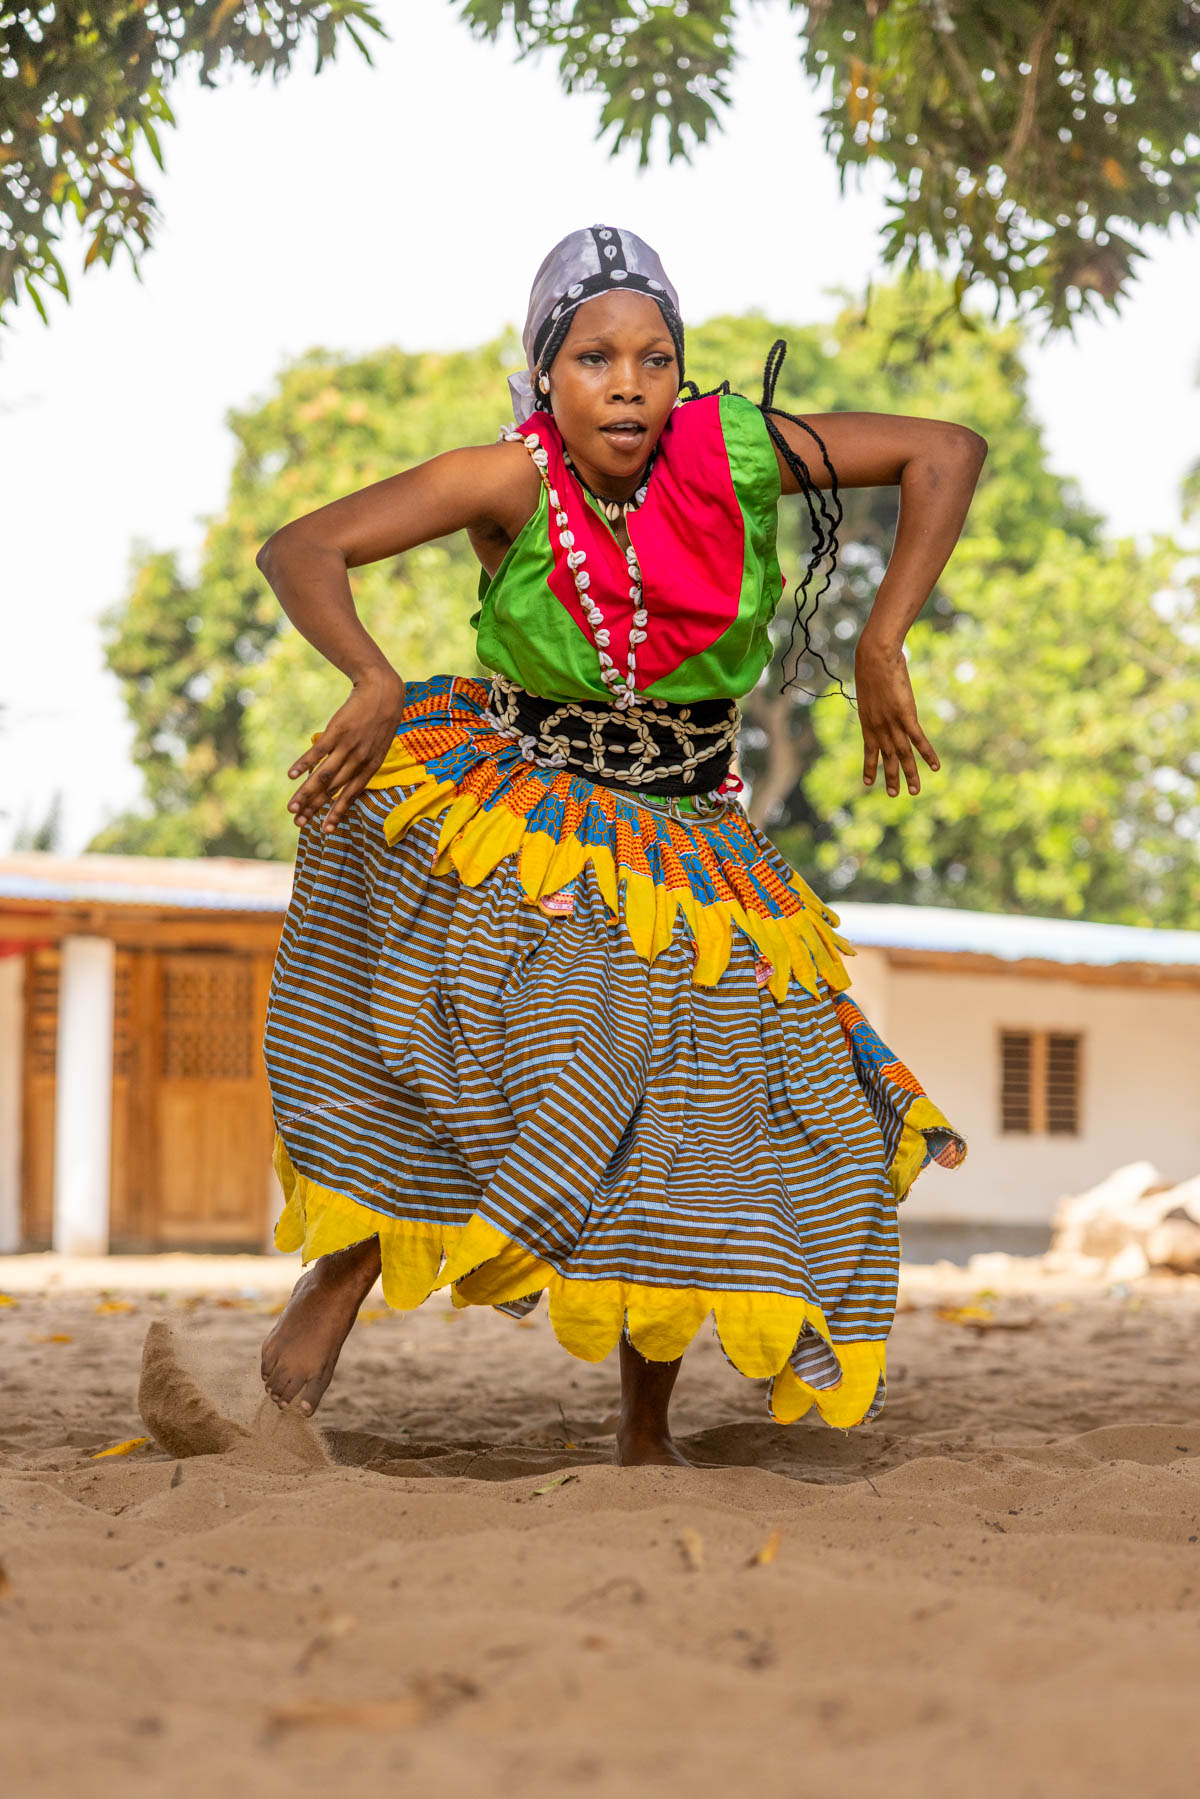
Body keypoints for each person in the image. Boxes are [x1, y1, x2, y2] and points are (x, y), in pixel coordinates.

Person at [257, 225, 980, 1465]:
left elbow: (943, 450)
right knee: (515, 1048)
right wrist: (370, 676)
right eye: (595, 356)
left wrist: (882, 639)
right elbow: (301, 547)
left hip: (695, 838)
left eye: (655, 356)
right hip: (527, 811)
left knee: (686, 1118)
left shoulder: (737, 450)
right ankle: (349, 1261)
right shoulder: (509, 479)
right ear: (547, 373)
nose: (628, 381)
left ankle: (646, 1432)